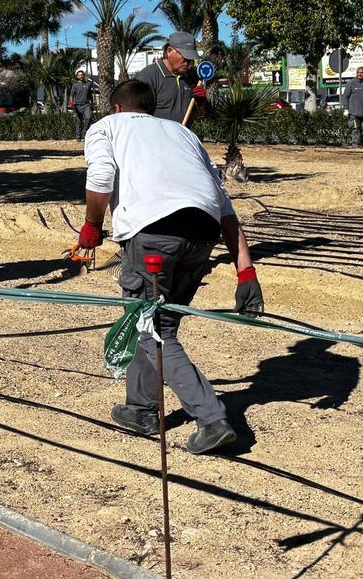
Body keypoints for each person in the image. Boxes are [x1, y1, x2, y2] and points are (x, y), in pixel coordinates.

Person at [75, 79, 263, 454]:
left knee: (150, 329)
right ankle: (141, 409)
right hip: (203, 234)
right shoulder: (182, 133)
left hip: (152, 234)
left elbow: (101, 177)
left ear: (116, 108)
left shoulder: (106, 127)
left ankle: (212, 418)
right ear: (151, 109)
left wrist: (92, 226)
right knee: (157, 326)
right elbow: (223, 205)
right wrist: (246, 271)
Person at [133, 31, 208, 125]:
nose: (188, 62)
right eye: (185, 57)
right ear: (169, 51)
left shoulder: (192, 75)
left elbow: (199, 114)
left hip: (184, 134)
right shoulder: (148, 76)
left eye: (190, 59)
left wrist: (201, 103)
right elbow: (136, 117)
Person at [341, 67, 363, 148]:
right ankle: (355, 145)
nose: (359, 74)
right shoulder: (351, 83)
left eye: (362, 72)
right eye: (358, 72)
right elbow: (345, 96)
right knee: (355, 129)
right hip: (353, 112)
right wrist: (345, 108)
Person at [69, 69, 97, 141]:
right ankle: (78, 137)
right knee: (79, 121)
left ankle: (85, 135)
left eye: (82, 75)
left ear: (83, 76)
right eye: (79, 75)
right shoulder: (75, 85)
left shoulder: (88, 84)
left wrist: (92, 103)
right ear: (77, 76)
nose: (81, 76)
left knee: (88, 118)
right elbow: (71, 96)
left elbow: (90, 95)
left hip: (86, 105)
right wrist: (72, 104)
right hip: (77, 106)